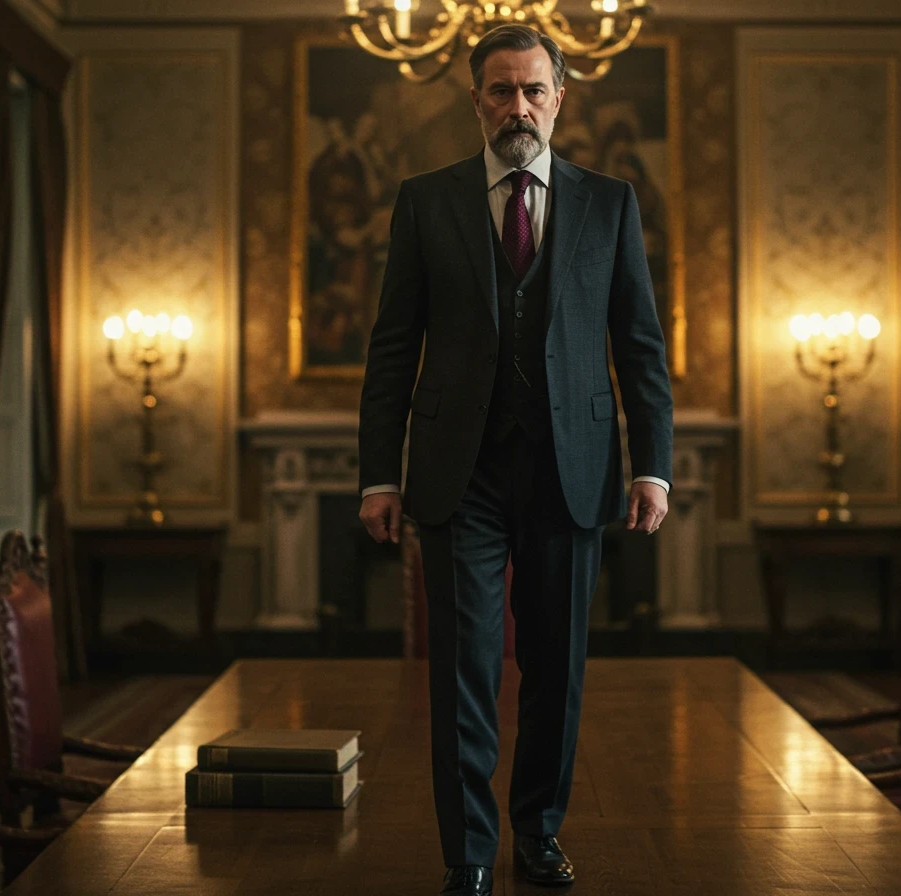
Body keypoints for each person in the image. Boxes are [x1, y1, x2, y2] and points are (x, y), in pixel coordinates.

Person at [356, 24, 673, 896]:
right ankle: (467, 855)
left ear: (560, 98)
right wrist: (380, 474)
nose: (518, 106)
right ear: (475, 101)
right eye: (501, 91)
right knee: (463, 669)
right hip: (463, 476)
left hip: (573, 473)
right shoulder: (426, 200)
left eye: (534, 90)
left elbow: (639, 345)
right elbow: (393, 348)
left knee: (557, 670)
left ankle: (537, 832)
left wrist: (654, 465)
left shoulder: (609, 203)